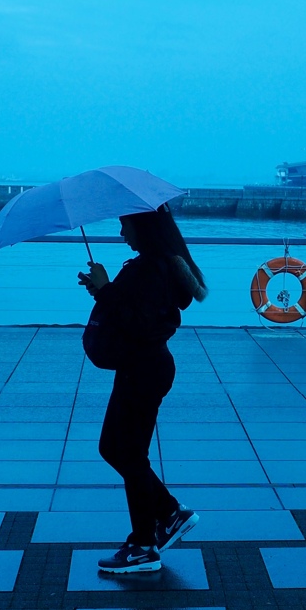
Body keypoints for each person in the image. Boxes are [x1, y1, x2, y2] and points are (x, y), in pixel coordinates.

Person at [78, 205, 207, 573]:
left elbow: (139, 323)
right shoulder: (158, 265)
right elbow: (136, 311)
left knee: (130, 455)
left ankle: (143, 545)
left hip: (145, 367)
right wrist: (103, 290)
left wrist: (106, 290)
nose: (122, 234)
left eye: (124, 224)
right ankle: (169, 513)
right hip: (142, 366)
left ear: (141, 226)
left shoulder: (151, 268)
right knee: (113, 447)